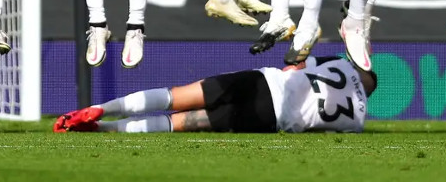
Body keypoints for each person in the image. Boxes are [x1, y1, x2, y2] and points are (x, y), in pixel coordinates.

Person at [52, 55, 375, 134]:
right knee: (184, 122)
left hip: (264, 82)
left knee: (176, 95)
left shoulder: (339, 65)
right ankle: (105, 129)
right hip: (272, 117)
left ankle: (100, 108)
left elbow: (295, 66)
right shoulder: (356, 120)